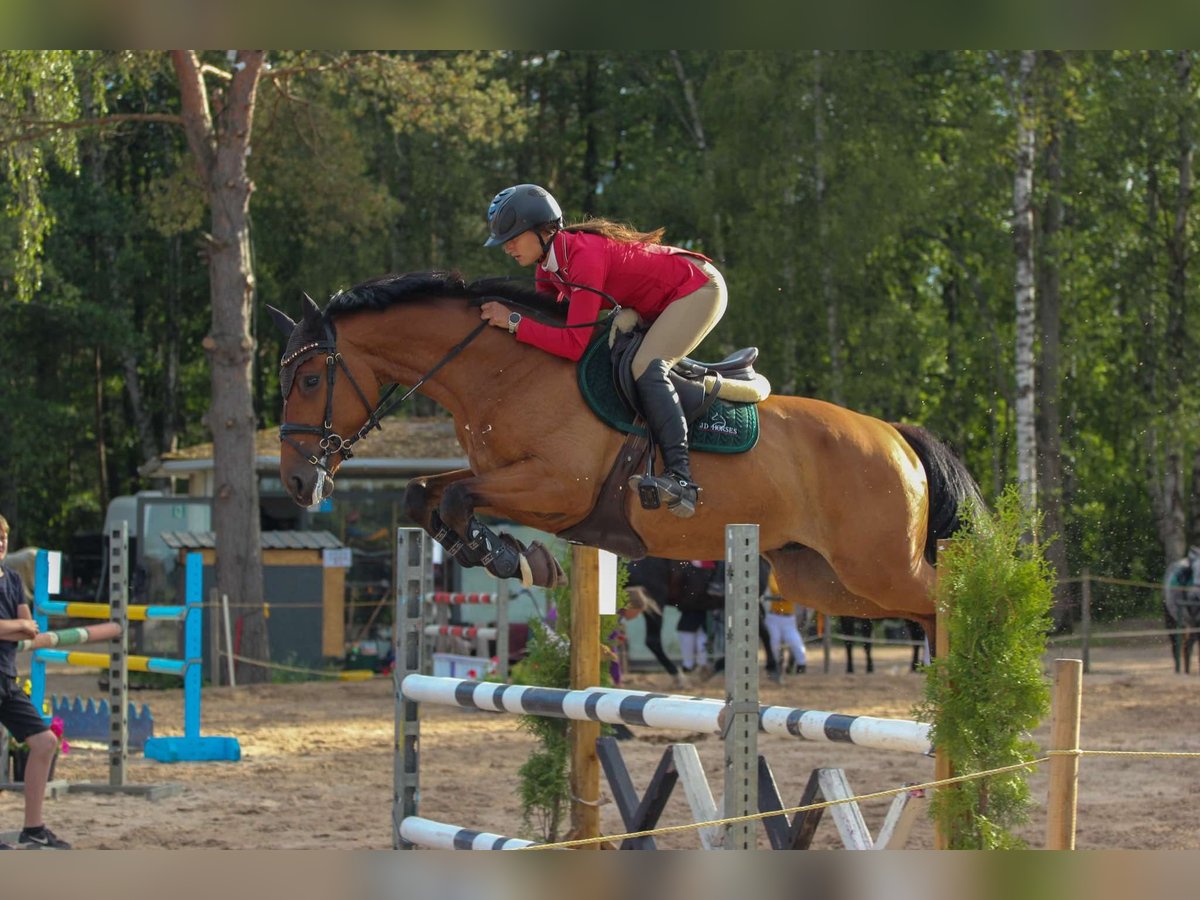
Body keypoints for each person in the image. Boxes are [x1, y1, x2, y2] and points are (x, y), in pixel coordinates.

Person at [480, 184, 728, 518]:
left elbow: (572, 344)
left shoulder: (584, 257)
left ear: (542, 230)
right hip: (654, 302)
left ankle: (681, 480)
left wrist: (510, 320)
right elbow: (549, 329)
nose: (507, 247)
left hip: (697, 288)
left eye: (513, 237)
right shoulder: (548, 268)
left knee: (646, 367)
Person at [0, 514, 71, 849]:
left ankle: (34, 829)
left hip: (6, 679)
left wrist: (14, 627)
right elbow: (21, 627)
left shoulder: (13, 579)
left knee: (45, 743)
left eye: (2, 537)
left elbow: (31, 627)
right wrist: (16, 627)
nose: (0, 543)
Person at [762, 571, 807, 683]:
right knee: (774, 644)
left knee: (796, 643)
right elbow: (776, 590)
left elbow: (799, 591)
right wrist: (789, 594)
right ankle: (775, 669)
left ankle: (801, 666)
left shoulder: (794, 577)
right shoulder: (773, 575)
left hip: (789, 619)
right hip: (774, 617)